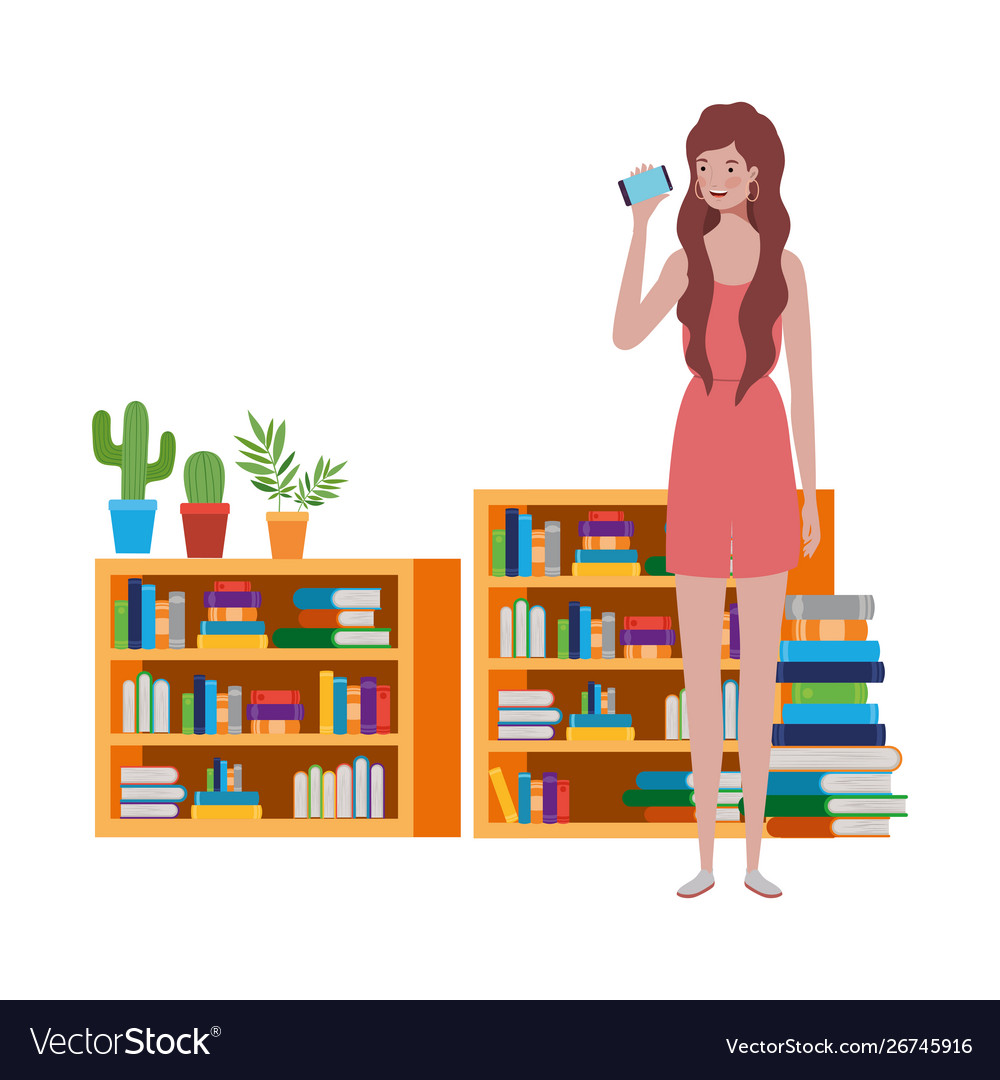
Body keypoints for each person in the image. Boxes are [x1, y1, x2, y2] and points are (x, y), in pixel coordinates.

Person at [612, 102, 820, 899]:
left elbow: (803, 387)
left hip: (764, 444)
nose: (715, 178)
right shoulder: (686, 260)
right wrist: (641, 227)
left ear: (757, 173)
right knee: (702, 663)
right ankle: (704, 854)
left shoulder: (788, 268)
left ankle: (756, 854)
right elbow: (627, 332)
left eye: (729, 164)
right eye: (703, 165)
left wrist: (807, 489)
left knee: (759, 664)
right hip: (698, 443)